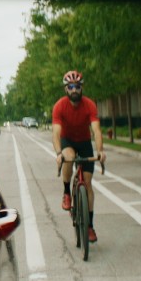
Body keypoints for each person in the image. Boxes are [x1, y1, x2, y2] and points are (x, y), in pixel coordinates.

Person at [52, 70, 105, 242]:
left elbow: (96, 130)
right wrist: (59, 153)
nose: (74, 90)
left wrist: (100, 151)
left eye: (77, 86)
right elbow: (56, 133)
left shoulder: (89, 105)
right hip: (67, 140)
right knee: (68, 156)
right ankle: (67, 192)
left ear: (82, 88)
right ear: (66, 89)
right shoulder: (59, 106)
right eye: (70, 87)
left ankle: (89, 226)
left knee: (88, 184)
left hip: (84, 142)